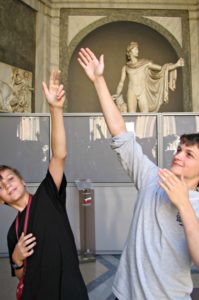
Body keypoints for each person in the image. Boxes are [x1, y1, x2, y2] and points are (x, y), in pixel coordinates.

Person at [78, 48, 199, 300]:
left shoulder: (196, 205)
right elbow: (120, 132)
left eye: (189, 155)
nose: (178, 155)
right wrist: (98, 81)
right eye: (179, 149)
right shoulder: (151, 177)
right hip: (124, 293)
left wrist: (183, 204)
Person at [0, 70, 89, 300]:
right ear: (1, 199)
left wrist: (55, 110)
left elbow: (59, 155)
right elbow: (20, 276)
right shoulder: (13, 232)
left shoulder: (48, 195)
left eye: (10, 178)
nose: (7, 185)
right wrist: (16, 259)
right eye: (0, 186)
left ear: (21, 180)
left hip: (70, 293)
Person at [112, 41, 184, 112]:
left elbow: (162, 68)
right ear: (130, 52)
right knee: (132, 116)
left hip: (142, 91)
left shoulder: (145, 63)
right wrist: (117, 94)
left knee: (146, 116)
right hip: (131, 92)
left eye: (137, 49)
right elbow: (121, 82)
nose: (138, 51)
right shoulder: (126, 67)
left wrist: (176, 65)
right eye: (136, 49)